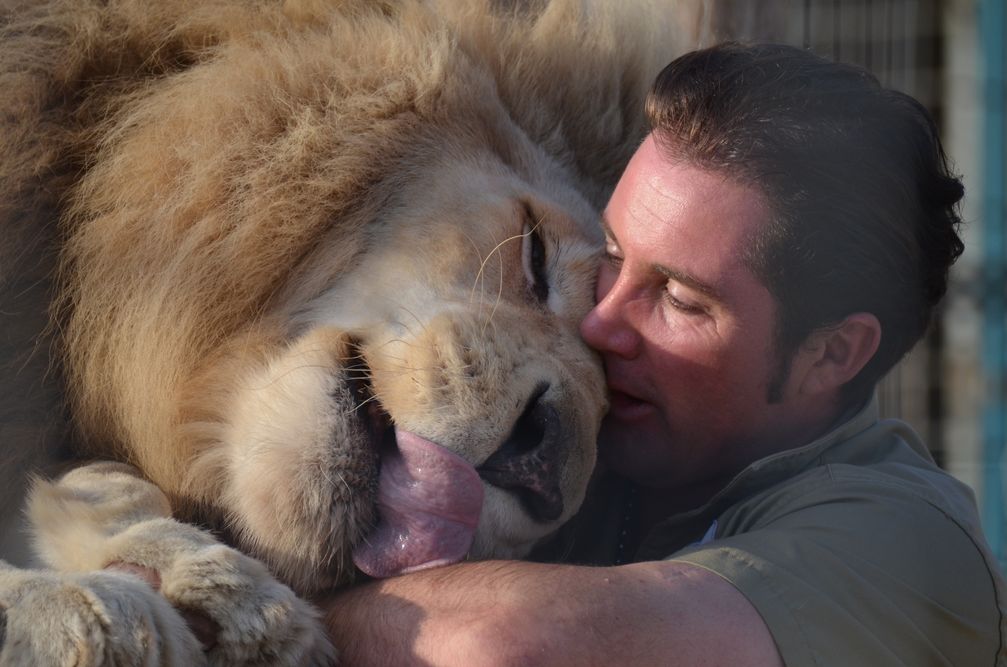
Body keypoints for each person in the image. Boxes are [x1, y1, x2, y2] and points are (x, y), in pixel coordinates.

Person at [323, 43, 1007, 666]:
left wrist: (278, 613)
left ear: (829, 353)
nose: (599, 322)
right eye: (612, 253)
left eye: (678, 299)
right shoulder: (630, 438)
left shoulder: (908, 548)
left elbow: (508, 645)